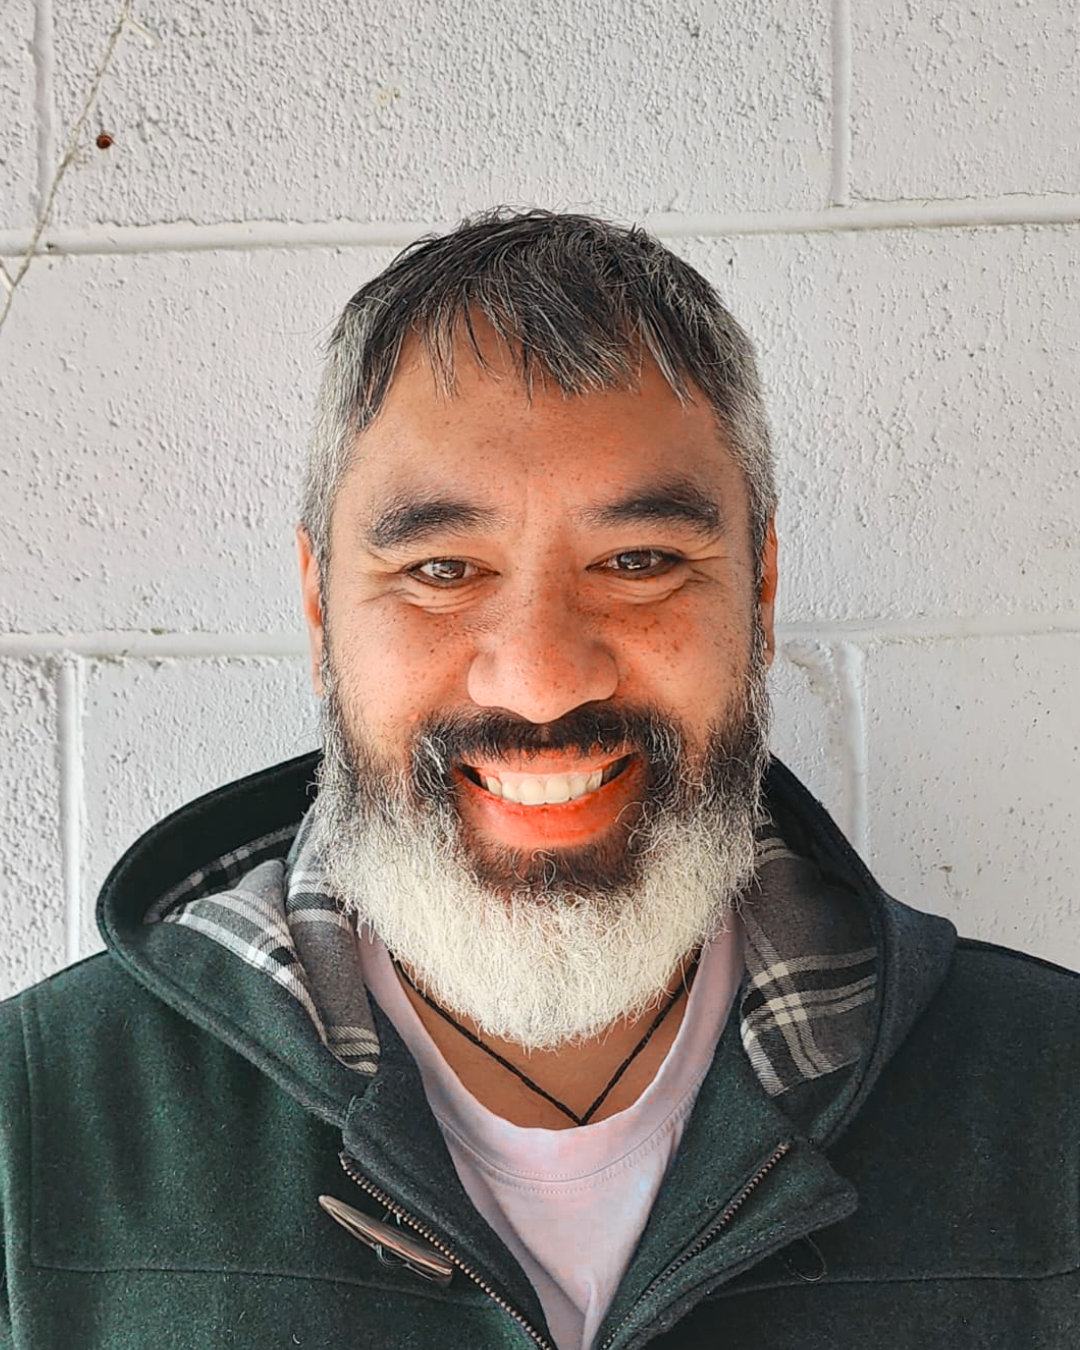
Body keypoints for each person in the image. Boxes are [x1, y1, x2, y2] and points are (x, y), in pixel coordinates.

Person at [1, 209, 1076, 1350]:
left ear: (759, 598)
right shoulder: (36, 1127)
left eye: (640, 562)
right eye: (442, 569)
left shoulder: (1049, 1098)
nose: (542, 680)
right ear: (319, 610)